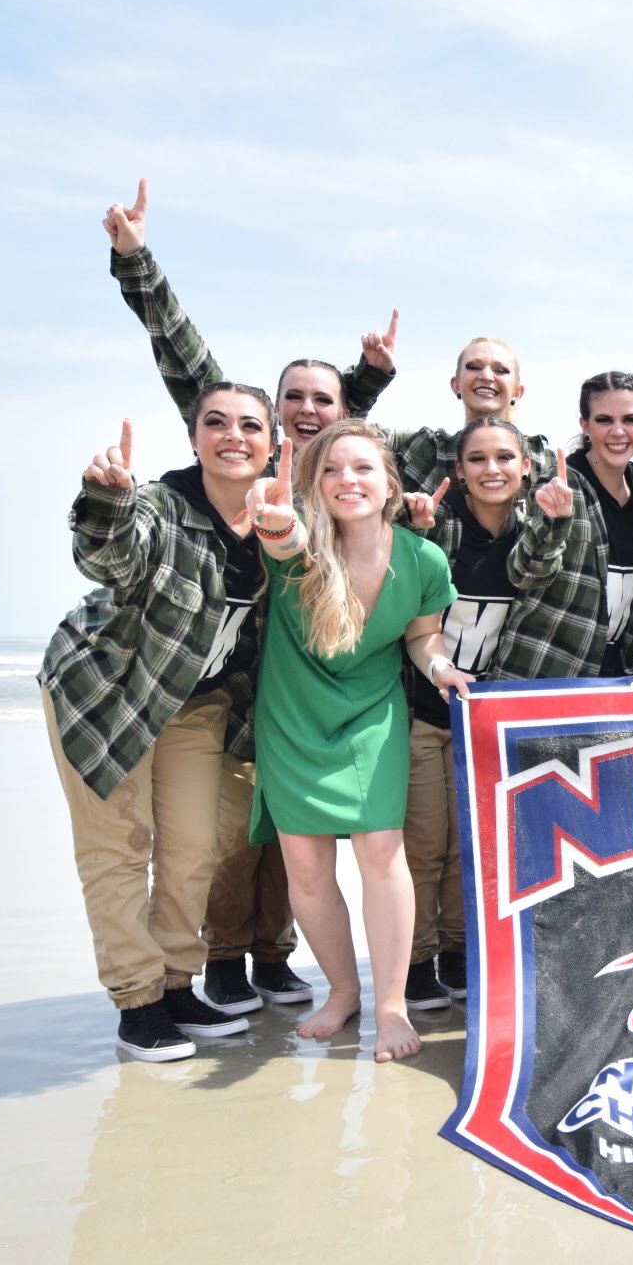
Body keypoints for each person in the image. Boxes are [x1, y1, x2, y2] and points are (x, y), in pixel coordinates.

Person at [100, 177, 395, 1011]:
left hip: (309, 676)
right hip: (228, 677)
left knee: (293, 830)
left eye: (320, 402)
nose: (303, 412)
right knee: (231, 831)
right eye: (289, 399)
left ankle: (273, 954)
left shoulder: (339, 472)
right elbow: (179, 349)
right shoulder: (243, 453)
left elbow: (355, 443)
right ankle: (224, 956)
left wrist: (368, 386)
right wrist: (135, 259)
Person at [38, 392, 274, 1061]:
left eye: (250, 425)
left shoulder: (277, 521)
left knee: (198, 844)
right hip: (106, 694)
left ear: (272, 441)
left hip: (195, 704)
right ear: (194, 435)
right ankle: (137, 1000)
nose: (233, 435)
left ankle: (176, 980)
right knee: (119, 846)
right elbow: (109, 558)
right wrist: (106, 502)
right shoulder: (156, 505)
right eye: (216, 423)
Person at [243, 421, 461, 1064]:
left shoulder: (423, 559)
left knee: (380, 849)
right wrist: (276, 518)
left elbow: (422, 638)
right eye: (332, 470)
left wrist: (441, 668)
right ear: (316, 485)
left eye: (363, 468)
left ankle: (390, 1005)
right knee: (306, 866)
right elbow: (278, 539)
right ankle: (342, 993)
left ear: (389, 484)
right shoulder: (301, 543)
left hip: (372, 713)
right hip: (292, 716)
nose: (348, 481)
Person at [396, 418, 533, 1008]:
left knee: (471, 848)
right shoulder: (437, 532)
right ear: (458, 469)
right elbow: (413, 625)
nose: (491, 469)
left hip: (485, 723)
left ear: (527, 467)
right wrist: (411, 527)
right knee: (423, 843)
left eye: (505, 457)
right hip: (426, 711)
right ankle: (414, 959)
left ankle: (457, 951)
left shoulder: (538, 538)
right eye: (476, 459)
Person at [496, 373, 633, 680]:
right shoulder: (559, 484)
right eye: (604, 420)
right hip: (542, 675)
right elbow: (524, 573)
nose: (618, 431)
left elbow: (606, 580)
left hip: (612, 679)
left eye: (630, 419)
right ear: (585, 426)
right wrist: (553, 523)